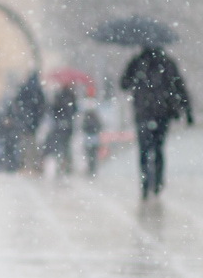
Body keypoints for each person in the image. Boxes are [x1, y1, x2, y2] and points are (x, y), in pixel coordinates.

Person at [121, 44, 194, 198]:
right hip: (163, 113)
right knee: (158, 149)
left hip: (143, 113)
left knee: (144, 150)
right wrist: (187, 111)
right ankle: (157, 183)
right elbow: (179, 86)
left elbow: (124, 84)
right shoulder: (167, 62)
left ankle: (145, 184)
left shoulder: (137, 62)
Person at [44, 84, 77, 175]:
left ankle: (61, 164)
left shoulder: (58, 97)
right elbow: (74, 110)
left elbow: (53, 110)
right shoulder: (72, 96)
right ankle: (66, 165)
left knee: (59, 146)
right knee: (66, 146)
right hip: (68, 126)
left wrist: (58, 118)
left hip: (59, 125)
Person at [81, 103, 103, 176]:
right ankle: (92, 169)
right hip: (92, 137)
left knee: (91, 154)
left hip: (91, 138)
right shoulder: (94, 117)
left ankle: (91, 169)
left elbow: (83, 126)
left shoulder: (87, 118)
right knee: (92, 154)